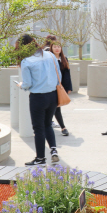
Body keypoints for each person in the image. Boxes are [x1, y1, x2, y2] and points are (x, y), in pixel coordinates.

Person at [15, 34, 62, 166]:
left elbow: (27, 84)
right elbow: (59, 74)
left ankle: (40, 158)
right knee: (48, 124)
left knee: (38, 128)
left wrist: (20, 85)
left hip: (38, 98)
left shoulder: (26, 61)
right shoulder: (50, 55)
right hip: (53, 95)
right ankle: (53, 150)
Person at [45, 35, 72, 137]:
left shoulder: (64, 59)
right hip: (50, 87)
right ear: (51, 48)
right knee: (55, 108)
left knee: (56, 107)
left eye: (59, 47)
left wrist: (68, 88)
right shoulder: (48, 59)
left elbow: (67, 74)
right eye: (55, 47)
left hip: (60, 87)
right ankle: (63, 127)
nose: (57, 48)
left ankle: (60, 127)